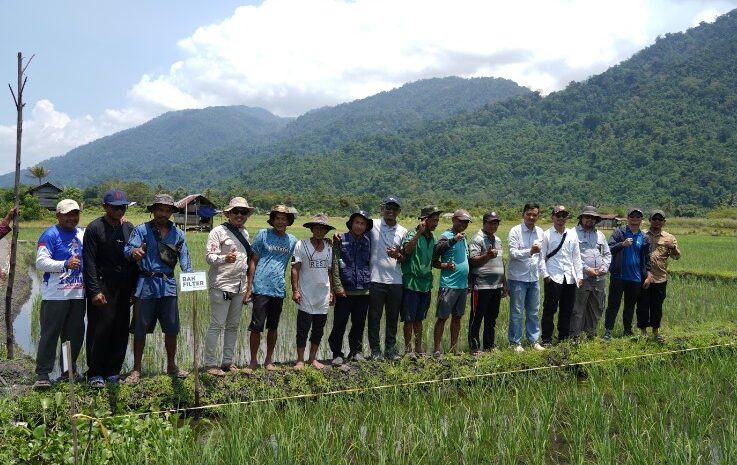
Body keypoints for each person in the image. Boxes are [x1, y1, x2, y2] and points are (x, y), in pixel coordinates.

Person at [124, 193, 192, 385]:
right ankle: (136, 369)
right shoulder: (142, 231)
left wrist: (191, 276)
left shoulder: (178, 234)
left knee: (172, 328)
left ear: (171, 212)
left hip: (168, 285)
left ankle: (171, 365)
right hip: (146, 285)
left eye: (167, 210)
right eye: (159, 209)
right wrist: (135, 252)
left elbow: (185, 258)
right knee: (140, 329)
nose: (163, 213)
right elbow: (127, 250)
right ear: (153, 210)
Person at [82, 190, 138, 388]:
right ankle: (96, 372)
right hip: (102, 283)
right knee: (100, 328)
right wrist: (94, 291)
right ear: (105, 207)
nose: (120, 210)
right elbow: (88, 262)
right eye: (115, 207)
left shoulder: (130, 228)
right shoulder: (94, 228)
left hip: (124, 285)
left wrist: (134, 288)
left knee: (120, 327)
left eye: (123, 206)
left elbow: (134, 261)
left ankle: (113, 371)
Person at [33, 199, 85, 389]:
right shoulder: (50, 234)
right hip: (55, 295)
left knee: (74, 336)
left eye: (75, 214)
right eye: (67, 214)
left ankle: (67, 372)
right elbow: (40, 263)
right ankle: (43, 374)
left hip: (78, 294)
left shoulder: (82, 233)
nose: (72, 218)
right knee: (50, 335)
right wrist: (64, 264)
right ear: (58, 215)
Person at [203, 197, 255, 376]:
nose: (239, 215)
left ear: (247, 215)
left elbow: (246, 261)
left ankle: (227, 362)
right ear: (229, 214)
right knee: (217, 324)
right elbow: (209, 257)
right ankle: (210, 364)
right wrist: (225, 258)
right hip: (221, 284)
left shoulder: (245, 233)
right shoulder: (217, 232)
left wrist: (249, 286)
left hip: (239, 286)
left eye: (243, 212)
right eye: (236, 212)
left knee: (233, 325)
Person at [245, 205, 298, 372]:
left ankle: (268, 360)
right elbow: (253, 260)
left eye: (284, 219)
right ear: (273, 220)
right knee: (256, 327)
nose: (281, 221)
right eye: (277, 218)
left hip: (278, 289)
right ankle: (253, 361)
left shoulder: (292, 241)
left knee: (273, 327)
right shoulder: (263, 235)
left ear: (288, 221)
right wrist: (249, 287)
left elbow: (298, 262)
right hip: (260, 287)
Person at [291, 214, 336, 370]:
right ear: (311, 228)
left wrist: (332, 292)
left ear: (326, 230)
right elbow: (295, 269)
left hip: (323, 294)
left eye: (322, 228)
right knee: (302, 329)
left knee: (318, 329)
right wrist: (295, 290)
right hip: (306, 293)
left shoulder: (329, 247)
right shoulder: (301, 245)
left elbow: (329, 271)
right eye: (316, 227)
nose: (319, 230)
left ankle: (312, 358)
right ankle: (300, 360)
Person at [328, 209, 373, 365]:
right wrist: (337, 287)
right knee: (340, 322)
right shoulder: (341, 239)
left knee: (359, 323)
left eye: (362, 223)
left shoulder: (369, 241)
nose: (359, 226)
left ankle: (356, 351)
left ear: (366, 226)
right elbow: (334, 263)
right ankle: (337, 353)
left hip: (363, 290)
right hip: (345, 290)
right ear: (351, 224)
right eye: (357, 222)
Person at [367, 195, 407, 361]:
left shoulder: (403, 231)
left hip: (396, 281)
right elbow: (356, 229)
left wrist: (397, 254)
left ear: (398, 211)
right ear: (382, 208)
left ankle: (390, 350)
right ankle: (375, 351)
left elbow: (405, 257)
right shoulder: (372, 224)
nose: (390, 211)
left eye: (394, 208)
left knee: (392, 318)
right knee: (374, 317)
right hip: (376, 279)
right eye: (387, 207)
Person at [603, 208, 652, 340]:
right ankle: (608, 331)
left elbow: (647, 258)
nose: (635, 218)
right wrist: (622, 244)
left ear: (641, 219)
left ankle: (627, 330)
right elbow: (609, 248)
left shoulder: (644, 237)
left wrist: (648, 274)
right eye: (632, 216)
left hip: (636, 277)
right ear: (628, 218)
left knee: (630, 306)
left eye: (638, 216)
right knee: (613, 304)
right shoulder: (620, 232)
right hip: (618, 276)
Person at [400, 205, 442, 357]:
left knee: (419, 318)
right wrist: (419, 232)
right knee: (409, 319)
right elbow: (407, 251)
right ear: (424, 220)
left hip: (426, 284)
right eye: (433, 220)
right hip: (411, 282)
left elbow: (433, 260)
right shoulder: (411, 234)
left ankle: (418, 349)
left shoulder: (433, 238)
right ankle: (407, 349)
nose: (436, 223)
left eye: (437, 220)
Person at [539, 206, 583, 345]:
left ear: (567, 218)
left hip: (570, 277)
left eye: (564, 216)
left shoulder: (572, 234)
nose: (561, 219)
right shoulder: (546, 235)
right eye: (558, 216)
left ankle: (563, 338)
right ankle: (546, 339)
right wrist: (545, 275)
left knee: (567, 309)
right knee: (550, 310)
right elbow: (541, 257)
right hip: (553, 277)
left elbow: (576, 256)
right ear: (552, 217)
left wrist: (579, 275)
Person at [636, 209, 681, 342]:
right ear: (649, 220)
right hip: (642, 277)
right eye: (654, 219)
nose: (657, 221)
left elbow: (677, 257)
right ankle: (643, 331)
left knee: (657, 306)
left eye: (659, 219)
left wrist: (672, 247)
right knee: (642, 305)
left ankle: (656, 331)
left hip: (660, 277)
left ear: (664, 222)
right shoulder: (641, 234)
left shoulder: (669, 238)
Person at [432, 209, 471, 356]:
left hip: (462, 285)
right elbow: (436, 251)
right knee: (442, 318)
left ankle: (454, 349)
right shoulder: (447, 235)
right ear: (454, 220)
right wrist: (454, 240)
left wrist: (468, 282)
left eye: (466, 222)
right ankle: (436, 349)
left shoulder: (464, 238)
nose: (463, 224)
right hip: (448, 284)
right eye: (461, 221)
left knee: (457, 317)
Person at [507, 203, 545, 352]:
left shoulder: (540, 232)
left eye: (534, 215)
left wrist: (544, 273)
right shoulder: (515, 231)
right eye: (529, 214)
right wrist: (530, 251)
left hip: (534, 278)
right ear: (523, 214)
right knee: (516, 312)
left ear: (538, 216)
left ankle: (533, 340)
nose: (531, 217)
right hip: (517, 278)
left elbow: (541, 256)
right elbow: (513, 253)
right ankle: (515, 342)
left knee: (533, 311)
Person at [468, 211, 507, 353]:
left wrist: (504, 284)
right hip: (481, 285)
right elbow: (473, 261)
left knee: (492, 317)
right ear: (484, 223)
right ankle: (474, 347)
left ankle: (489, 346)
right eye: (490, 222)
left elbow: (501, 262)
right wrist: (487, 255)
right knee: (476, 317)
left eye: (496, 223)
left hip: (496, 285)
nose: (493, 225)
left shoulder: (497, 239)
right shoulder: (477, 239)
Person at [570, 206, 611, 340]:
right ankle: (574, 336)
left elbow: (606, 253)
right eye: (587, 217)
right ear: (581, 218)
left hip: (599, 279)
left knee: (597, 308)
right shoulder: (572, 233)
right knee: (578, 309)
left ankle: (590, 335)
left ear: (596, 220)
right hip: (582, 278)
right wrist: (587, 269)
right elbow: (571, 256)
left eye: (593, 218)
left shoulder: (600, 235)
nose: (590, 219)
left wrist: (604, 267)